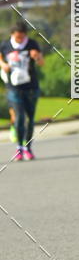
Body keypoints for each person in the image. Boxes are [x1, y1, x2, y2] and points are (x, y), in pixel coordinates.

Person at [0, 20, 45, 161]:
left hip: (31, 87)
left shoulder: (32, 44)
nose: (20, 39)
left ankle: (28, 148)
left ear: (25, 34)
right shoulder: (5, 45)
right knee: (19, 118)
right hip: (13, 87)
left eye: (22, 36)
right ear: (12, 34)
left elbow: (41, 63)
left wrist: (36, 56)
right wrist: (3, 65)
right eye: (17, 37)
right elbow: (0, 58)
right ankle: (19, 148)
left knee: (30, 119)